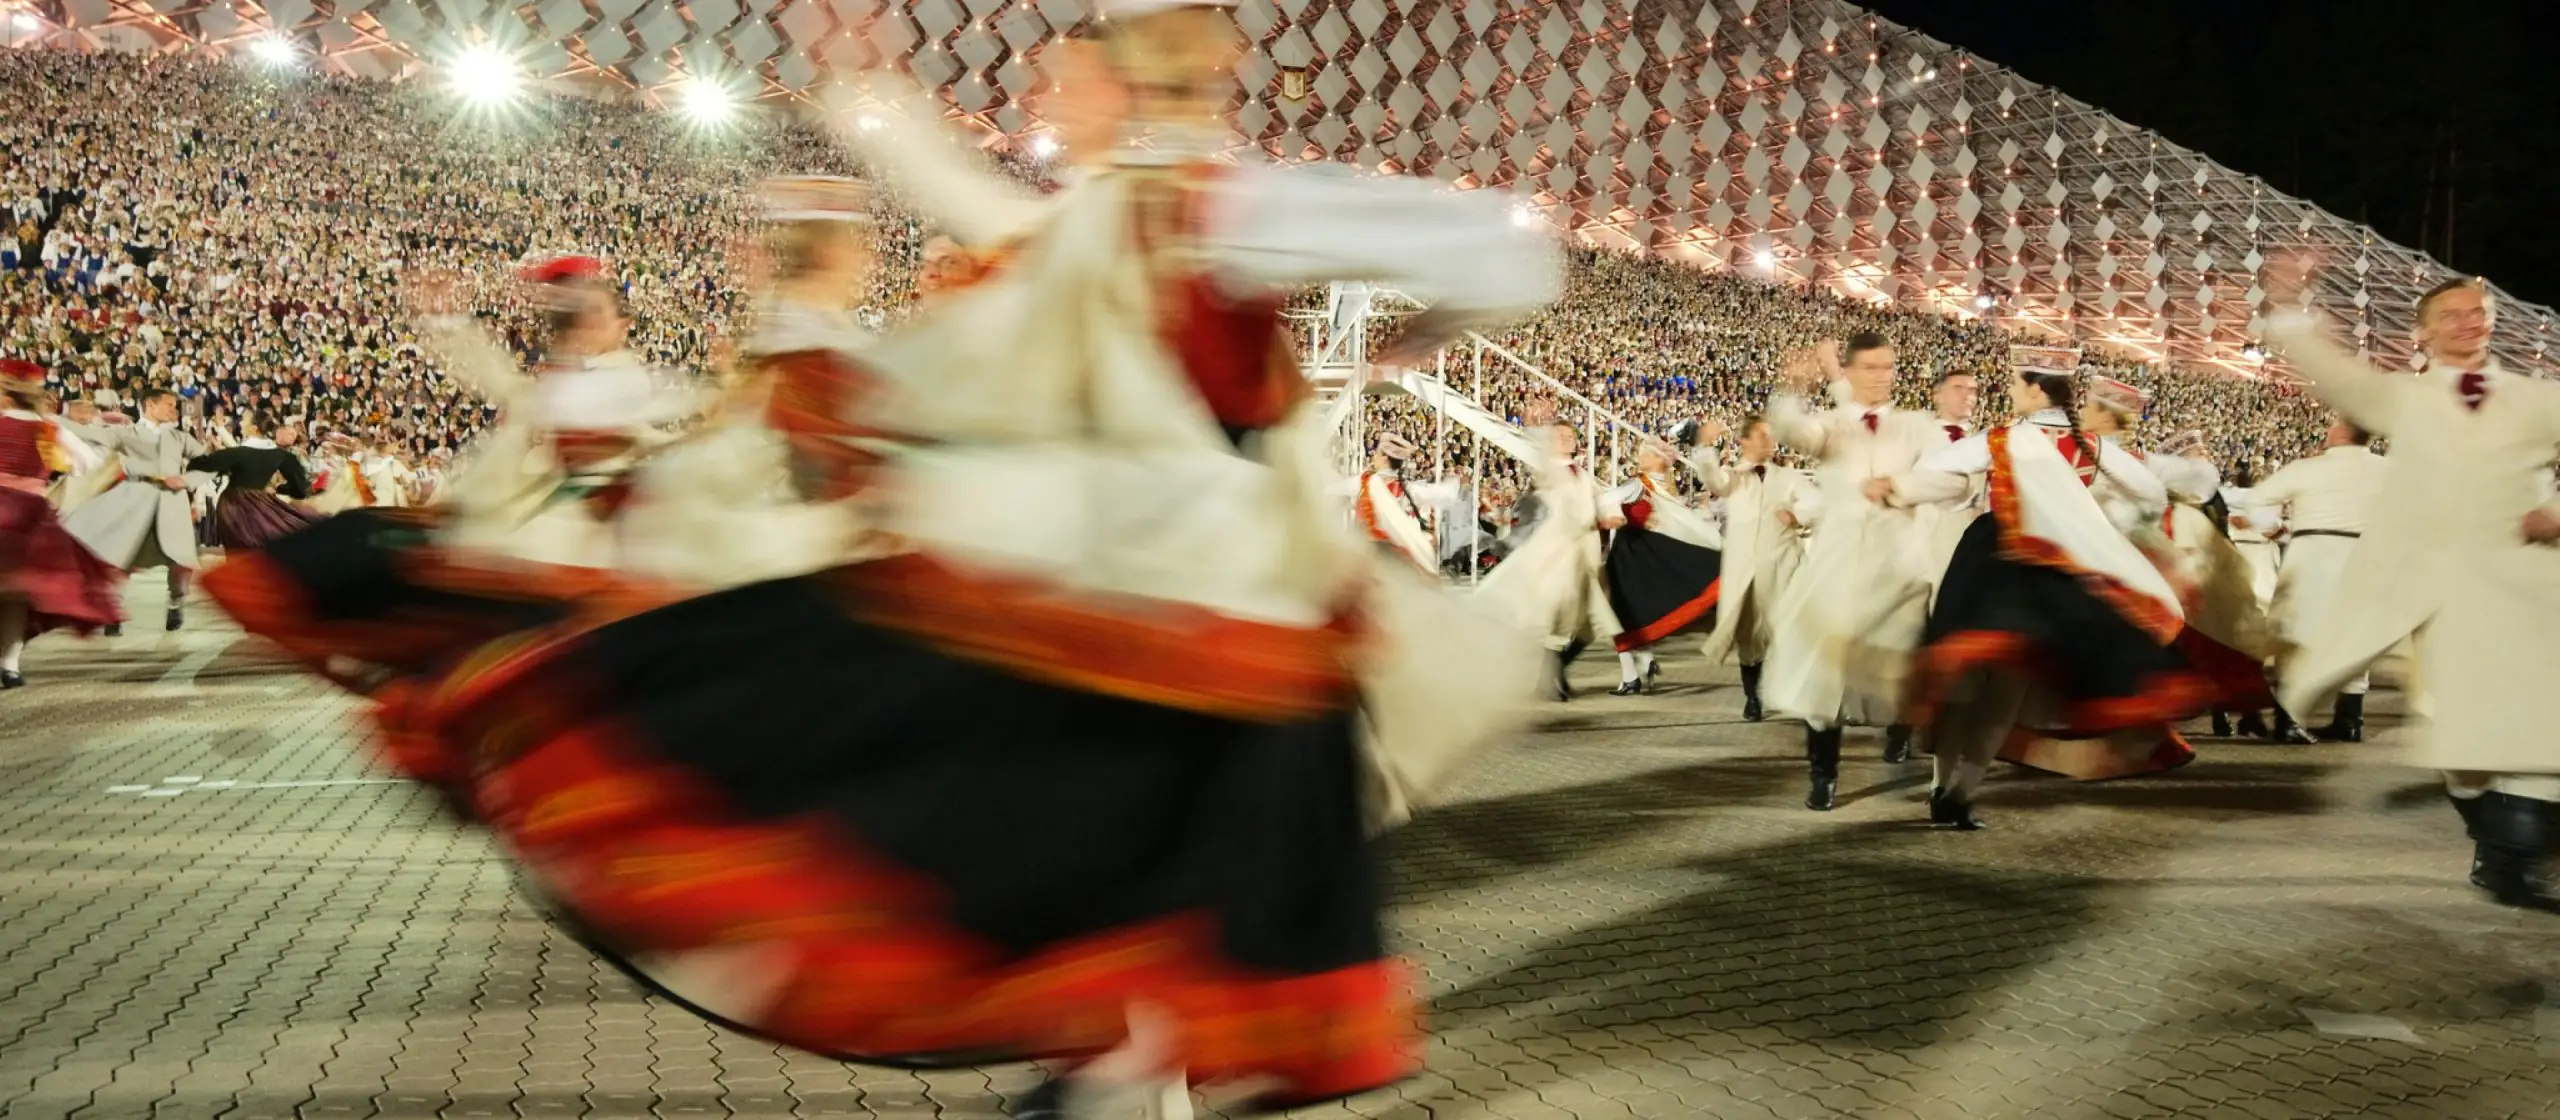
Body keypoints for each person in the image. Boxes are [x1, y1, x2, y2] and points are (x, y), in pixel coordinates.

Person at [332, 3, 1562, 1115]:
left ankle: (1104, 1087)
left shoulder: (1217, 208)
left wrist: (1406, 345)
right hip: (1144, 636)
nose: (1039, 100)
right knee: (1114, 908)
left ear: (1130, 82)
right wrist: (870, 96)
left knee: (1119, 903)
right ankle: (1104, 1087)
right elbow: (979, 208)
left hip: (1196, 645)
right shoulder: (1105, 217)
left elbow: (1508, 257)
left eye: (1062, 80)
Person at [2263, 256, 2560, 913]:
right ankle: (2502, 849)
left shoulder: (2538, 399)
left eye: (2476, 313)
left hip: (2528, 582)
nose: (2467, 323)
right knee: (2469, 732)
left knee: (2538, 717)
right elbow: (2334, 371)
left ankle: (2514, 861)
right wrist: (2288, 305)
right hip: (2442, 587)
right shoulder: (2401, 397)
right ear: (2421, 334)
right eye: (2449, 315)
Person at [1880, 366, 2202, 829]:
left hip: (1993, 561)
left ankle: (1939, 787)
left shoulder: (2001, 439)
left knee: (1963, 686)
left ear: (2034, 391)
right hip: (2055, 576)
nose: (2011, 393)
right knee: (2006, 698)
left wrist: (1959, 498)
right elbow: (2151, 494)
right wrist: (2094, 522)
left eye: (2015, 385)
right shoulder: (2095, 448)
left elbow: (1936, 468)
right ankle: (1960, 796)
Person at [1764, 334, 1943, 810]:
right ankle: (1823, 774)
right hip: (1837, 568)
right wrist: (1791, 387)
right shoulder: (1831, 425)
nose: (1882, 376)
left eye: (1889, 366)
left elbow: (1948, 475)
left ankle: (1900, 733)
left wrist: (1899, 486)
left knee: (1902, 667)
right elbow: (1792, 432)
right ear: (1849, 372)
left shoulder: (1916, 426)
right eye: (1871, 367)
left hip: (1899, 568)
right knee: (1825, 670)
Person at [2237, 419, 2387, 742]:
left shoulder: (2309, 468)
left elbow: (2256, 499)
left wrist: (2271, 528)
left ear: (2343, 433)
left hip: (2313, 555)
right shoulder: (2388, 471)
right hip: (2364, 557)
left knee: (2294, 636)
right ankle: (2350, 721)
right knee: (2354, 637)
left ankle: (2289, 720)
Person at [1476, 415, 1628, 700]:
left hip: (1586, 553)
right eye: (1560, 436)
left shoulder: (1581, 473)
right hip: (1562, 553)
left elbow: (1600, 499)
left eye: (1570, 436)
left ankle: (1552, 672)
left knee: (1587, 623)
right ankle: (1549, 675)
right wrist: (1538, 427)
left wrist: (1610, 516)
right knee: (1566, 614)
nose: (1567, 440)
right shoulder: (1551, 471)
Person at [0, 361, 120, 687]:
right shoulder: (49, 429)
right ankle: (10, 666)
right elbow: (90, 463)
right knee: (16, 598)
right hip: (30, 515)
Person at [1690, 413, 1815, 721]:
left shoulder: (1789, 477)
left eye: (1770, 435)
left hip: (1785, 567)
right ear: (1744, 440)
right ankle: (1753, 696)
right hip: (1746, 571)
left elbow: (1816, 504)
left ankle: (1800, 691)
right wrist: (1704, 444)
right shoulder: (1733, 477)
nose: (1768, 440)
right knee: (1752, 636)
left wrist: (1798, 517)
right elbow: (1711, 478)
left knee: (1791, 630)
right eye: (1761, 435)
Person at [61, 386, 201, 634]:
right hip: (134, 501)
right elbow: (87, 434)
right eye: (169, 404)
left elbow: (205, 461)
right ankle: (113, 612)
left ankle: (175, 602)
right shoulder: (125, 433)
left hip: (171, 502)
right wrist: (49, 417)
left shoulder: (181, 436)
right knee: (120, 558)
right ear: (150, 405)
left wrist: (190, 484)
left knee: (180, 563)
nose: (174, 409)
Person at [1597, 438, 1722, 694]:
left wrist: (1610, 514)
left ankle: (1632, 675)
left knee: (1618, 615)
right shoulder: (1665, 488)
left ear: (1657, 460)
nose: (1640, 457)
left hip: (1629, 555)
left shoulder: (1639, 484)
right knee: (1636, 612)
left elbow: (1607, 498)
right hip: (1649, 554)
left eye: (1645, 454)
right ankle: (1645, 661)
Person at [185, 412, 318, 550]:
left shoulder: (236, 453)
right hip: (262, 506)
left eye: (244, 421)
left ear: (254, 429)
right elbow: (301, 489)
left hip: (233, 507)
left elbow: (200, 464)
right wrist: (278, 489)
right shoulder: (282, 456)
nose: (241, 424)